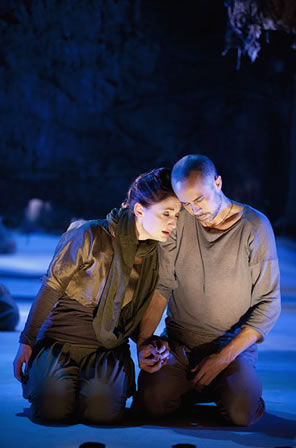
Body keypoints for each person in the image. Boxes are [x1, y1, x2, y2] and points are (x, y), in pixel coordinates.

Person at [13, 167, 180, 424]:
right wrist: (27, 340)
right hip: (61, 338)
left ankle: (95, 386)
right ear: (139, 210)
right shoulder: (89, 234)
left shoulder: (155, 257)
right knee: (53, 409)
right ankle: (49, 380)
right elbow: (51, 287)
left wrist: (148, 344)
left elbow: (131, 317)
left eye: (176, 215)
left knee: (102, 412)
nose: (173, 222)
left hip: (107, 347)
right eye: (166, 213)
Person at [135, 154, 281, 426]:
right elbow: (161, 287)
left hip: (231, 346)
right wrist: (145, 341)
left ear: (217, 182)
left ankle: (234, 390)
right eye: (186, 204)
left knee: (241, 412)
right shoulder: (180, 223)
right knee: (149, 404)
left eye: (199, 199)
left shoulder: (255, 227)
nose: (194, 210)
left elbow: (269, 303)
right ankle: (188, 388)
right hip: (180, 343)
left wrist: (222, 358)